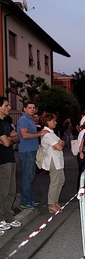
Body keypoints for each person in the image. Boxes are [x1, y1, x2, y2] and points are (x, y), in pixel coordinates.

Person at [17, 101, 48, 209]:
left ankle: (29, 198)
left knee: (30, 176)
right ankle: (25, 201)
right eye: (29, 107)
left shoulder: (29, 120)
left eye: (33, 107)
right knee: (27, 177)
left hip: (31, 151)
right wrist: (40, 133)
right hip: (26, 152)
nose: (32, 109)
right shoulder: (23, 120)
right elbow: (24, 135)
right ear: (24, 109)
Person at [0, 97, 22, 232]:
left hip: (10, 159)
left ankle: (8, 216)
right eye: (6, 105)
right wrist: (9, 138)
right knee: (3, 190)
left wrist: (8, 138)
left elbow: (16, 137)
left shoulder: (5, 123)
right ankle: (1, 218)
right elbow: (8, 143)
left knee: (11, 190)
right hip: (2, 161)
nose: (9, 107)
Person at [40, 113, 65, 214]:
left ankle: (55, 201)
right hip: (53, 160)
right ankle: (51, 204)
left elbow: (61, 143)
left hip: (58, 160)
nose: (55, 122)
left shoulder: (51, 133)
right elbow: (60, 146)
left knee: (61, 181)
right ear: (48, 122)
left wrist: (60, 143)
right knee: (55, 182)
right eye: (53, 121)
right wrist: (60, 144)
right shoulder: (47, 134)